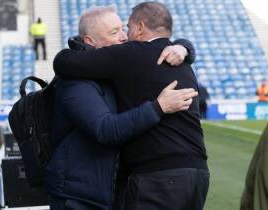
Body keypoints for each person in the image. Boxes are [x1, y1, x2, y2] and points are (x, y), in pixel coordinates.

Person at [53, 2, 209, 210]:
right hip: (195, 174)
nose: (125, 36)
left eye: (125, 28)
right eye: (116, 31)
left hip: (154, 177)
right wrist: (184, 47)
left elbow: (64, 61)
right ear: (90, 41)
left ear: (139, 28)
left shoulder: (128, 57)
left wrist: (184, 46)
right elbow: (104, 128)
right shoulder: (179, 61)